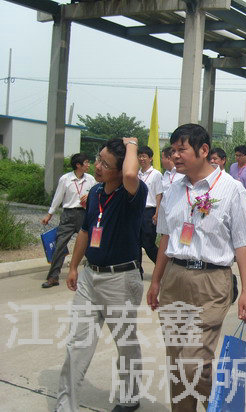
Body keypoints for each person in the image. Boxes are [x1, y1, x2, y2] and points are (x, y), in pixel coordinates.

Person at [146, 124, 246, 411]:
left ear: (204, 150)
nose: (175, 155)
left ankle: (219, 405)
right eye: (173, 150)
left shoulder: (231, 189)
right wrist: (156, 281)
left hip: (211, 282)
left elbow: (243, 244)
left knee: (192, 363)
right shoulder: (173, 189)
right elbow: (165, 238)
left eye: (182, 149)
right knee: (177, 360)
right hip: (174, 279)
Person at [56, 137, 146, 412]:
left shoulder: (133, 193)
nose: (97, 166)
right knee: (77, 344)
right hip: (89, 277)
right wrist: (74, 266)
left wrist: (132, 145)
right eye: (98, 159)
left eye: (106, 164)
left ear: (120, 170)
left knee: (125, 343)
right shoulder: (95, 192)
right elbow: (86, 230)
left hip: (120, 280)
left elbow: (130, 174)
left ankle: (129, 398)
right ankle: (65, 405)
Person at [40, 153, 96, 288]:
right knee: (60, 245)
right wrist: (49, 214)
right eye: (86, 162)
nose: (89, 165)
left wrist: (89, 196)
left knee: (91, 245)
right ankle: (53, 277)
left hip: (85, 215)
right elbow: (58, 197)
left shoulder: (90, 179)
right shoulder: (65, 179)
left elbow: (97, 193)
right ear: (78, 165)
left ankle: (93, 275)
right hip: (68, 216)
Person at [137, 146, 163, 264]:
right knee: (136, 243)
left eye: (144, 156)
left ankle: (161, 267)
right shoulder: (136, 174)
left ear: (150, 158)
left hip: (149, 211)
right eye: (140, 156)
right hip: (137, 211)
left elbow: (159, 195)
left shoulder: (156, 174)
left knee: (148, 244)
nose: (141, 159)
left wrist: (157, 213)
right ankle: (138, 270)